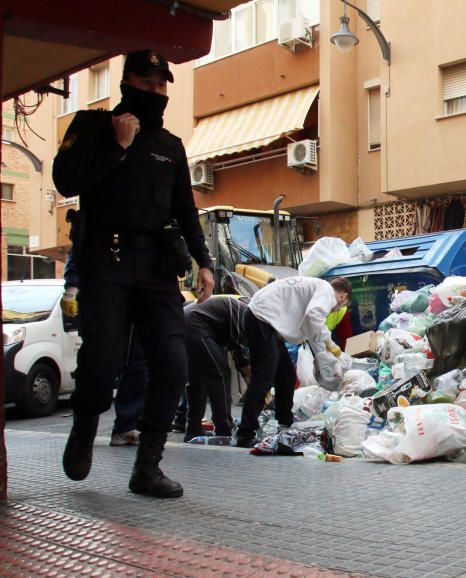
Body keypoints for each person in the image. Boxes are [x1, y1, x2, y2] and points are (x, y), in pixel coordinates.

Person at [53, 49, 215, 499]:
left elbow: (185, 208)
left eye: (162, 86)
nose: (156, 93)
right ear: (127, 84)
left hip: (157, 267)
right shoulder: (92, 127)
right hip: (106, 261)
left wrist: (204, 261)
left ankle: (148, 467)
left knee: (172, 363)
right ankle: (85, 428)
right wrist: (116, 147)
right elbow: (66, 181)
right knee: (102, 360)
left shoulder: (170, 146)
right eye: (147, 83)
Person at [234, 276, 347, 449]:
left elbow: (311, 327)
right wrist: (330, 343)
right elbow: (314, 316)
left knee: (286, 375)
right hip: (261, 319)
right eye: (342, 306)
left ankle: (285, 423)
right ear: (343, 296)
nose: (336, 310)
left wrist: (321, 355)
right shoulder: (327, 290)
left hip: (264, 320)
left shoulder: (317, 288)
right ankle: (245, 433)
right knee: (263, 379)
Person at [63, 247, 147, 447]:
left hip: (139, 293)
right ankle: (86, 422)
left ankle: (126, 427)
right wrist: (72, 285)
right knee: (101, 361)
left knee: (139, 364)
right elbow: (81, 247)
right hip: (104, 294)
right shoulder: (101, 225)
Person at [183, 296, 250, 443]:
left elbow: (237, 347)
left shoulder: (238, 308)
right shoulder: (245, 312)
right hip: (195, 326)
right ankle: (223, 428)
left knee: (197, 382)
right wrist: (248, 372)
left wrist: (246, 369)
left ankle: (193, 430)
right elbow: (238, 347)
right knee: (219, 375)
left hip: (187, 324)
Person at [325, 277, 353, 348]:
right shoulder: (318, 302)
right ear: (343, 296)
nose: (339, 309)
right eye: (343, 304)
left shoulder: (342, 311)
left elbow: (345, 338)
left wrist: (345, 356)